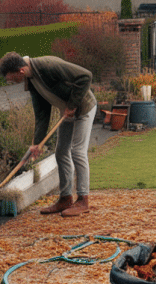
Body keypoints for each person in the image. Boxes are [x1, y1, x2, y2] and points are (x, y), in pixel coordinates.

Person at [0, 51, 97, 217]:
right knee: (61, 153)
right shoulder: (31, 81)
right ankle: (66, 198)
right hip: (67, 112)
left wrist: (72, 104)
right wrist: (37, 143)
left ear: (20, 71)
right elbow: (42, 114)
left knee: (77, 151)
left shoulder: (48, 65)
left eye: (10, 79)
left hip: (82, 108)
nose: (10, 82)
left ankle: (83, 200)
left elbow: (85, 76)